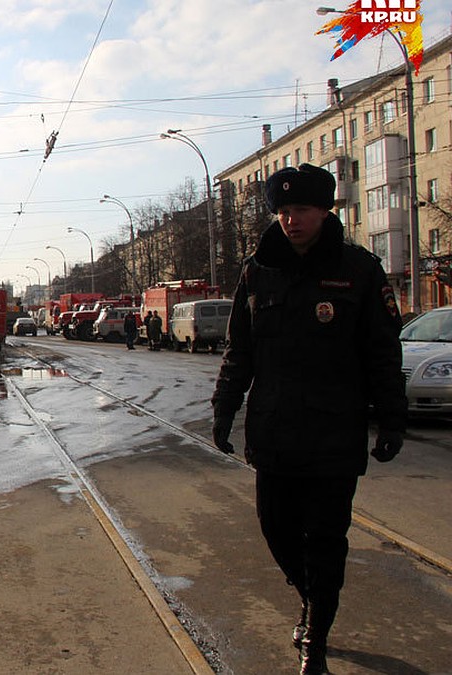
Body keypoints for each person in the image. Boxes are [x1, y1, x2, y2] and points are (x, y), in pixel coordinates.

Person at [211, 163, 407, 675]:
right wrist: (223, 408)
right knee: (276, 529)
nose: (290, 220)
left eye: (300, 210)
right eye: (282, 211)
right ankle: (313, 599)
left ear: (325, 211)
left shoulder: (359, 270)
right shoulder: (257, 271)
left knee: (325, 538)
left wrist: (392, 420)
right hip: (274, 430)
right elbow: (240, 351)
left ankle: (315, 639)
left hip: (334, 431)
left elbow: (383, 352)